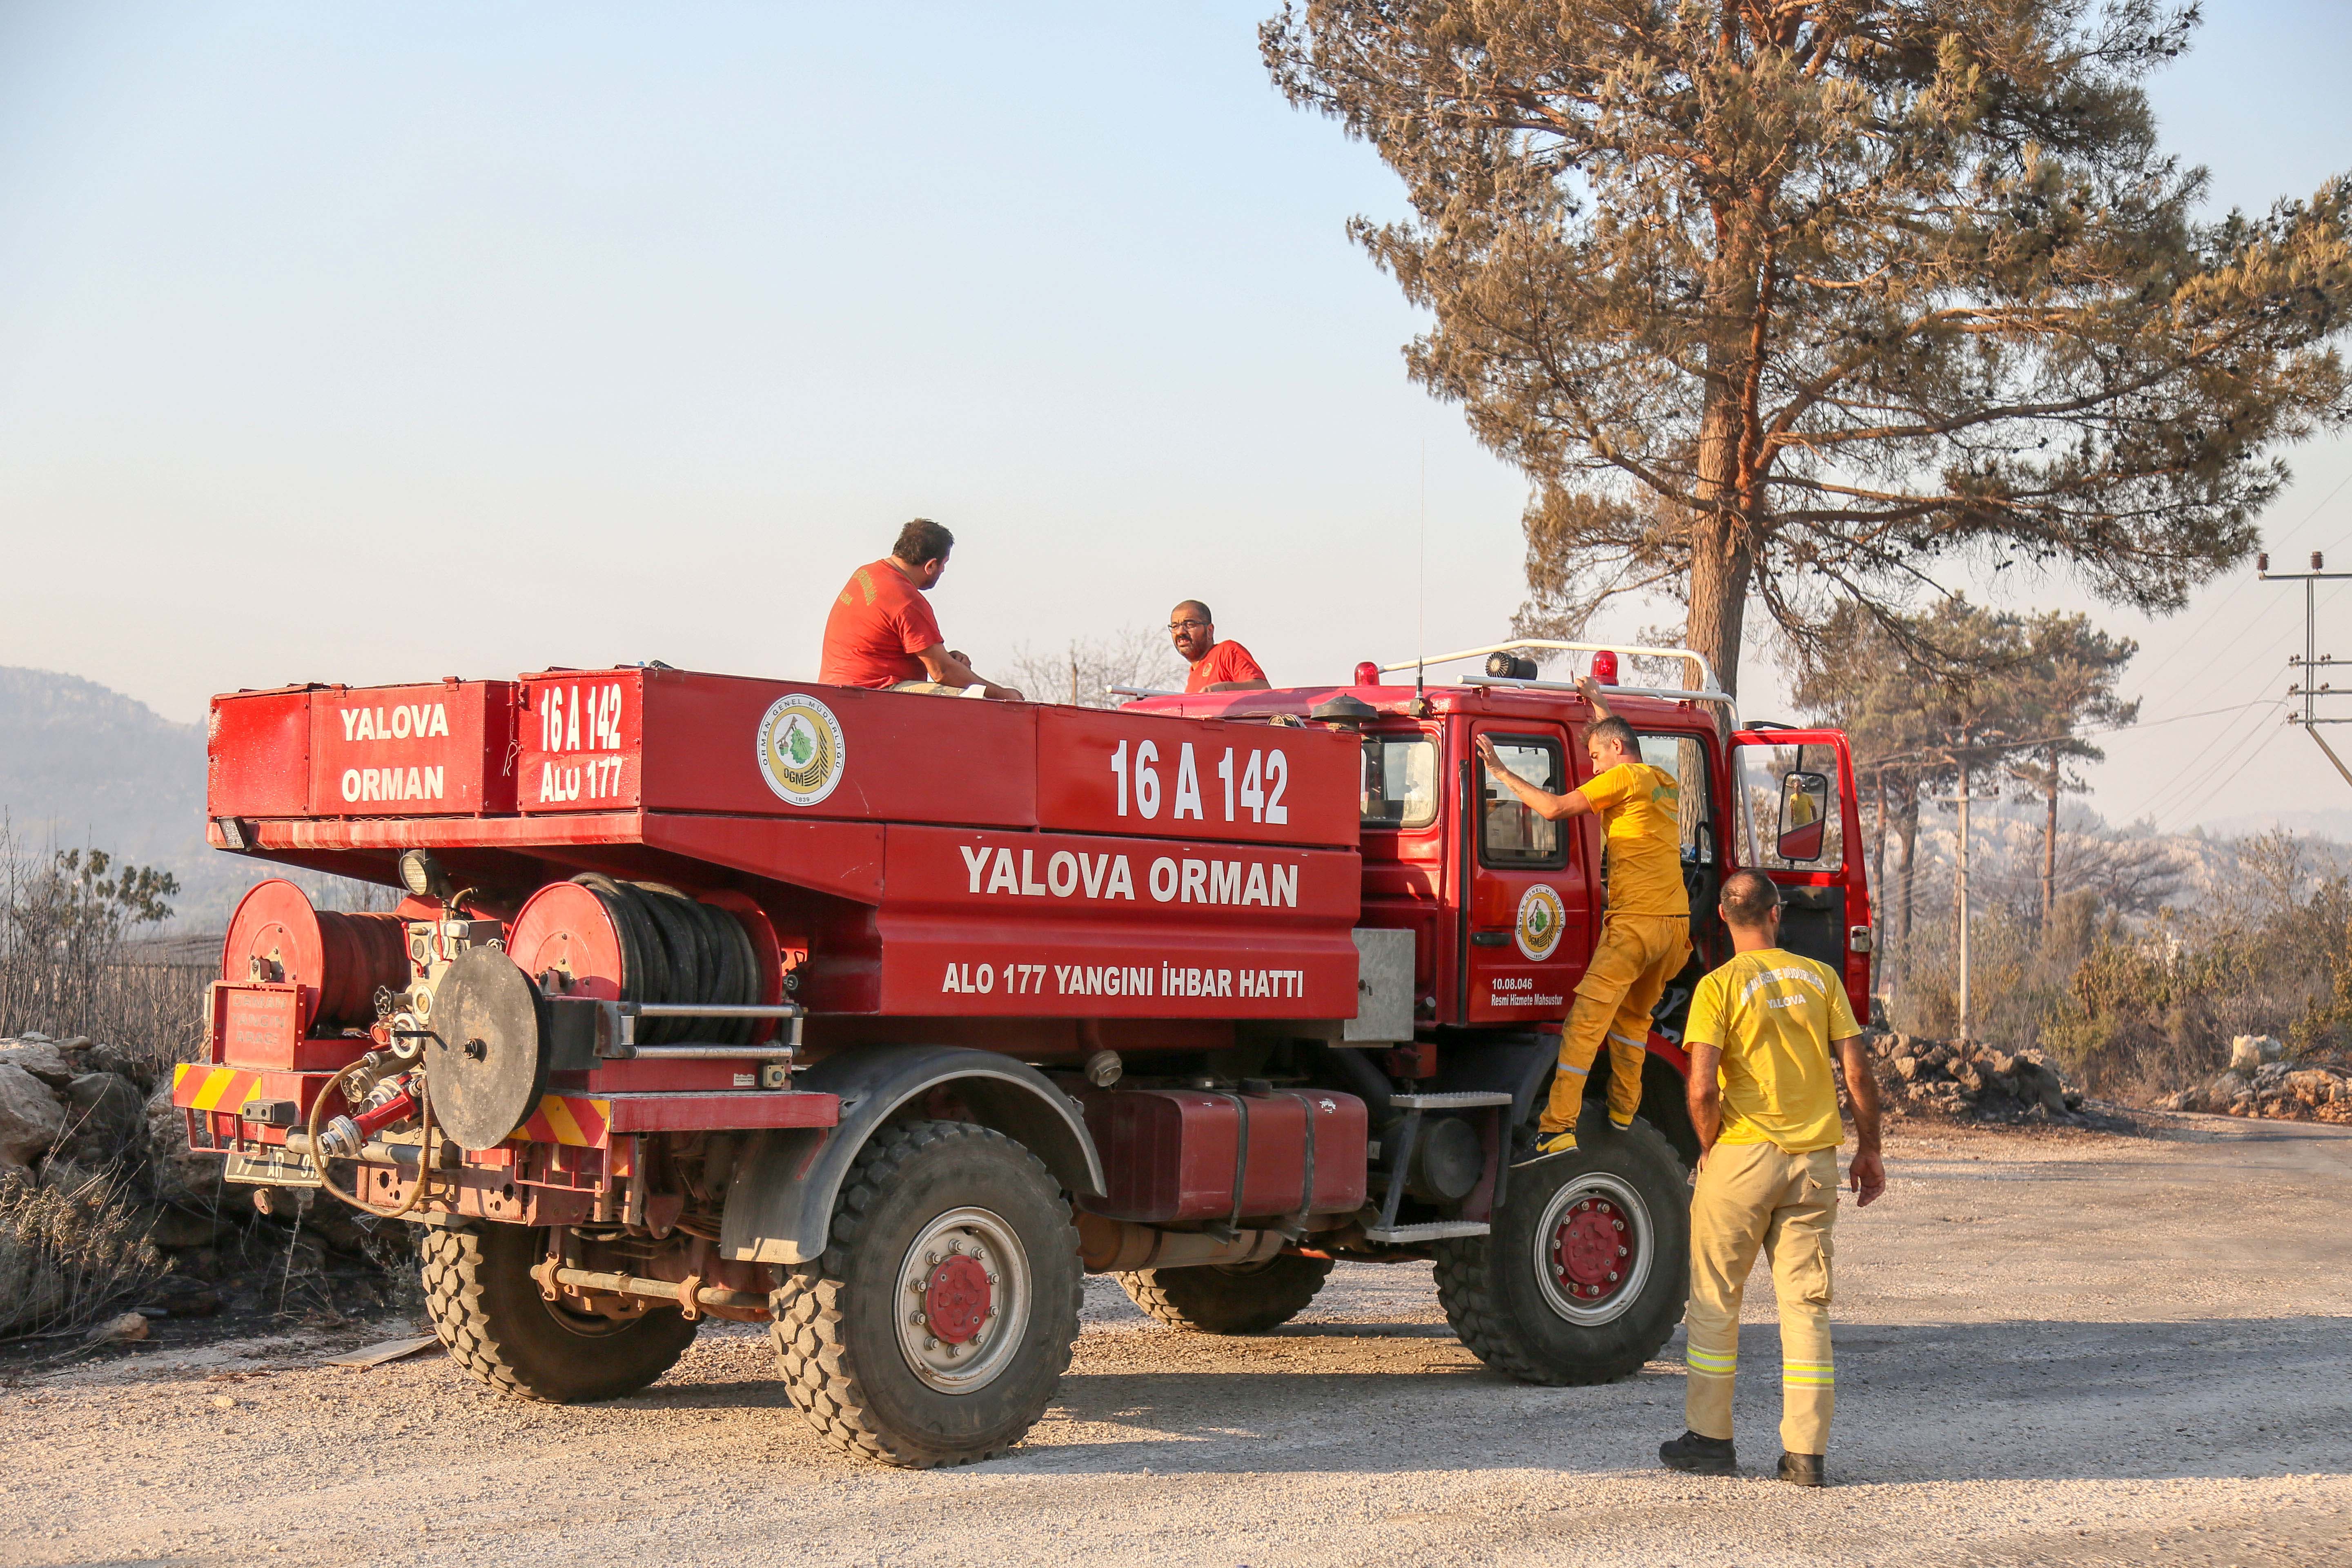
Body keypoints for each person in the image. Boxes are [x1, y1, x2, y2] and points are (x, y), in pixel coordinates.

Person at [1659, 869, 1886, 1488]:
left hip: (1741, 1156)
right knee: (1806, 1305)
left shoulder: (1718, 987)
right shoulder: (1822, 978)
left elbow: (1702, 1086)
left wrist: (1710, 1149)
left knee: (1714, 1299)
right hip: (1813, 1163)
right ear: (1776, 914)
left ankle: (1710, 1439)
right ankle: (1806, 1456)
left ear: (1725, 920)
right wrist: (1869, 1149)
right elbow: (1858, 1072)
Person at [1477, 676, 1689, 1158]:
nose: (1592, 767)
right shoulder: (1663, 783)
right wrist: (1598, 703)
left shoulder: (1618, 778)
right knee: (1635, 1023)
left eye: (1595, 757)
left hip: (1635, 926)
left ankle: (1557, 1128)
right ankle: (1622, 1113)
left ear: (1616, 750)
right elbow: (1617, 734)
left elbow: (1553, 809)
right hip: (1675, 928)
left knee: (1584, 1029)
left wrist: (1502, 773)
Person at [820, 519, 1022, 699]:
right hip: (873, 693)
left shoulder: (866, 573)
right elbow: (942, 672)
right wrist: (1003, 695)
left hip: (835, 690)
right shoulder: (907, 600)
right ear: (931, 566)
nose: (943, 570)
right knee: (975, 700)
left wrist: (946, 657)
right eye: (944, 564)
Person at [1169, 601, 1269, 693]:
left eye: (1189, 625)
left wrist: (1223, 689)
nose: (1180, 632)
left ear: (1210, 631)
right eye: (1175, 626)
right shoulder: (1192, 680)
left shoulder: (1227, 651)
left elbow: (1263, 690)